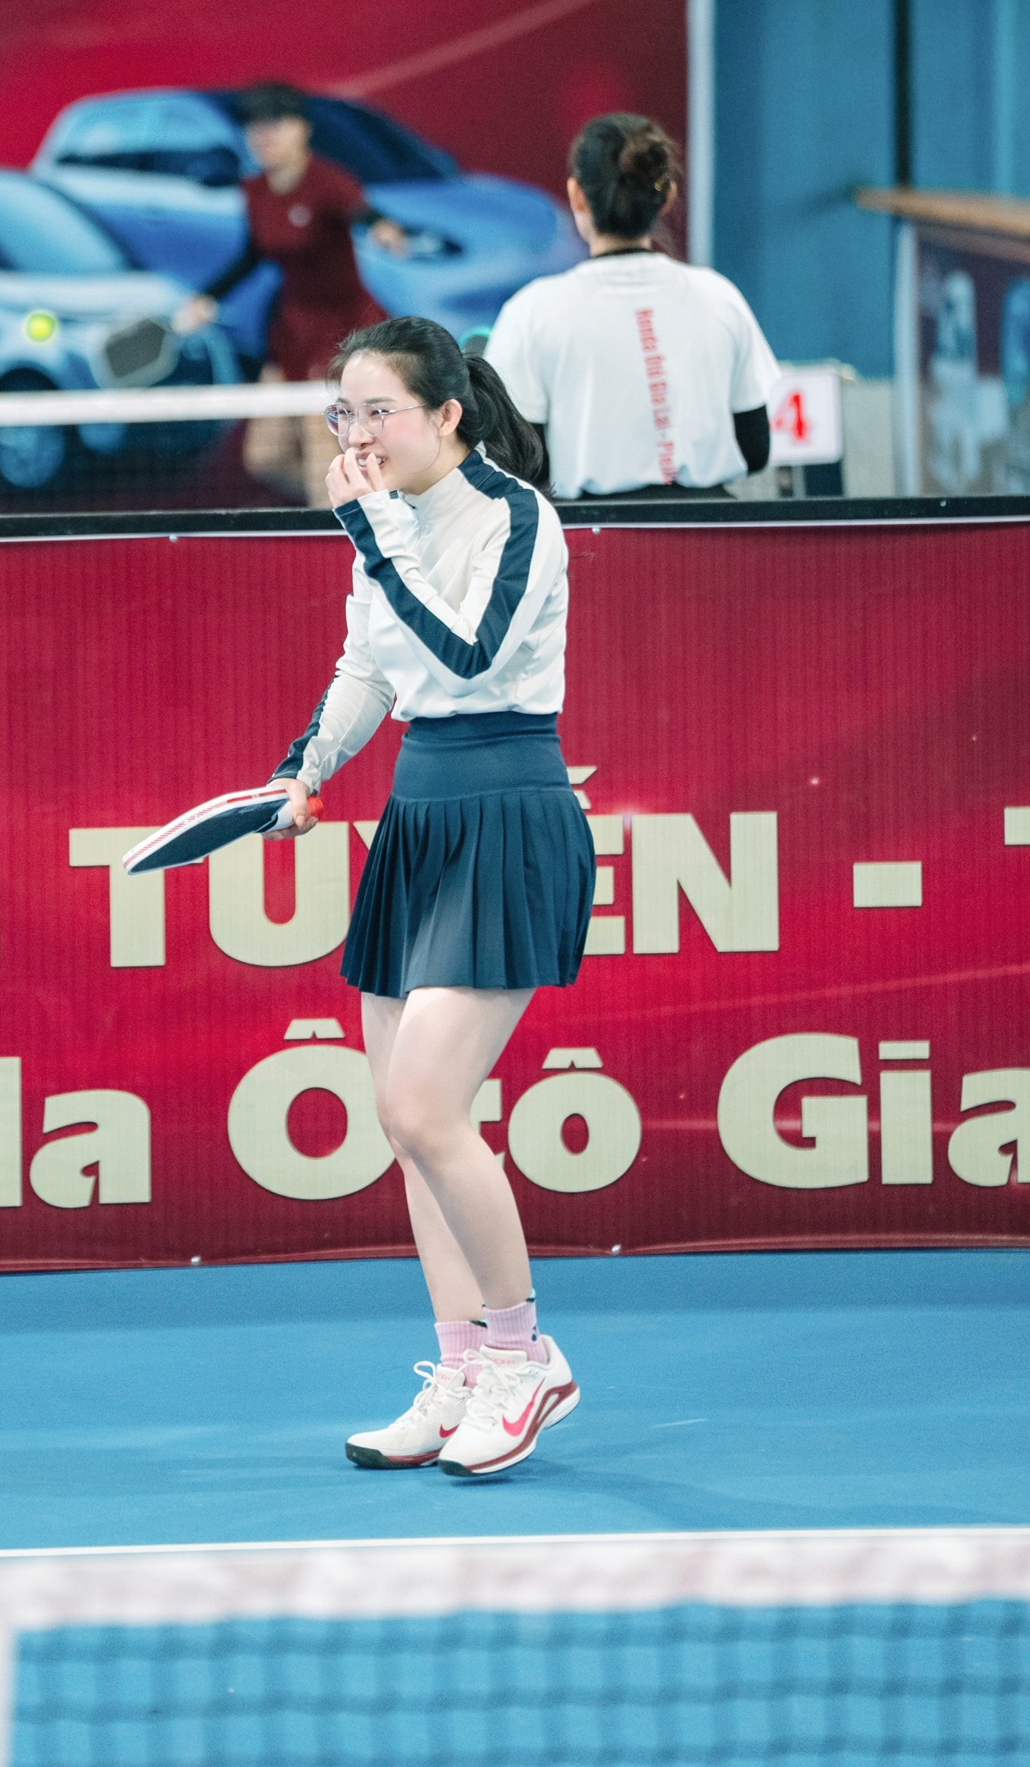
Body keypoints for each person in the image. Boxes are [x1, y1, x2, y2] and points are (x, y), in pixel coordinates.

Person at [267, 316, 595, 1478]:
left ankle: (524, 1358)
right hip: (419, 817)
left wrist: (375, 534)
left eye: (378, 412)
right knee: (405, 1129)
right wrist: (306, 769)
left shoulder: (516, 517)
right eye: (342, 414)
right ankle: (459, 1368)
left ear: (446, 415)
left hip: (507, 810)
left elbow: (467, 657)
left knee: (426, 1109)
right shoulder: (386, 527)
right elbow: (369, 667)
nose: (355, 436)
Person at [483, 114, 777, 499]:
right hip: (712, 526)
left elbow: (518, 465)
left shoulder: (532, 312)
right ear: (667, 196)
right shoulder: (720, 297)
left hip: (591, 530)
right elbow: (755, 449)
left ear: (576, 196)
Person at [176, 83, 407, 505]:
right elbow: (253, 253)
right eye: (254, 127)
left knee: (322, 450)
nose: (263, 136)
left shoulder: (328, 181)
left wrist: (382, 227)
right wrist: (208, 297)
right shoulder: (256, 191)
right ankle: (357, 506)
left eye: (275, 125)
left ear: (302, 129)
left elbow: (361, 211)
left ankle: (337, 523)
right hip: (290, 335)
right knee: (264, 458)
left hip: (341, 335)